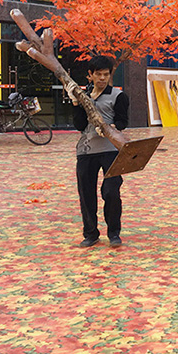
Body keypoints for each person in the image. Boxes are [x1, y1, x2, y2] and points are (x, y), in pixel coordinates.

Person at [72, 55, 129, 248]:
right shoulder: (83, 96)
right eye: (98, 74)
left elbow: (123, 122)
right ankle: (90, 234)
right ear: (90, 75)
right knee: (86, 194)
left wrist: (111, 127)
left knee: (111, 191)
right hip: (86, 151)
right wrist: (75, 105)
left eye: (106, 74)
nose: (103, 78)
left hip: (111, 150)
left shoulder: (118, 96)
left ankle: (114, 232)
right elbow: (79, 125)